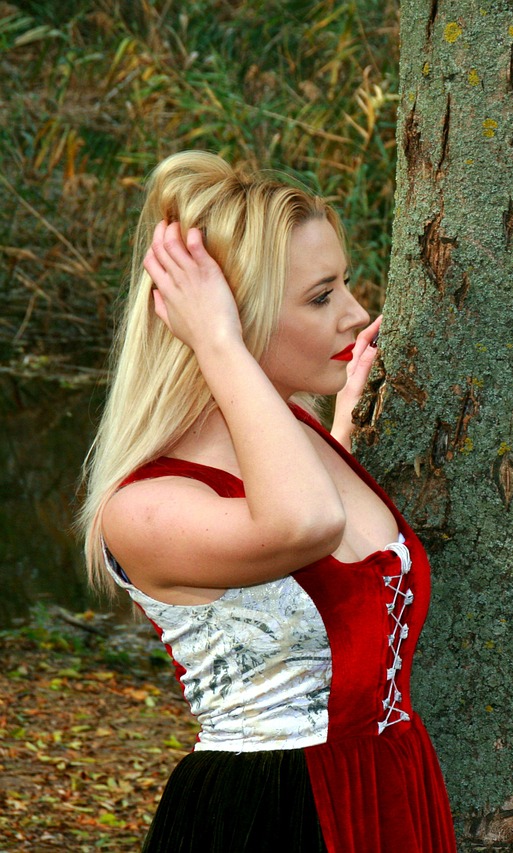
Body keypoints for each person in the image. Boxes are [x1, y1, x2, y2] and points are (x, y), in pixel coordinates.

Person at [77, 151, 456, 852]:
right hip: (271, 818)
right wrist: (219, 343)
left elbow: (327, 552)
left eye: (344, 284)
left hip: (392, 790)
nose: (357, 312)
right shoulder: (144, 508)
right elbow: (306, 527)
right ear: (235, 316)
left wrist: (341, 420)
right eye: (321, 296)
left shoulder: (305, 434)